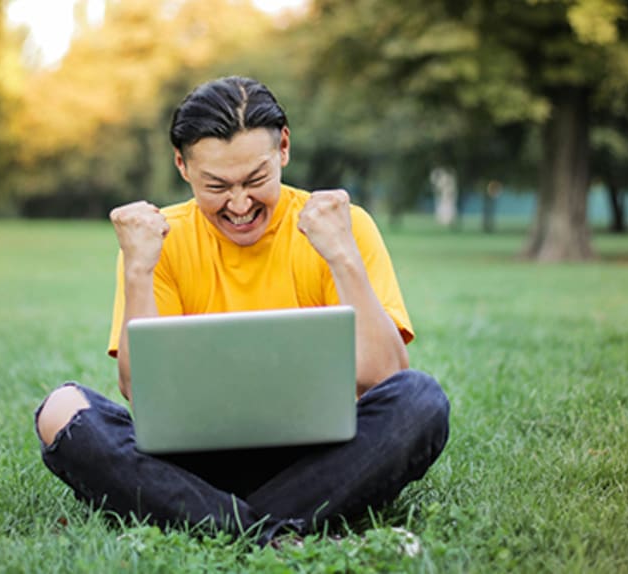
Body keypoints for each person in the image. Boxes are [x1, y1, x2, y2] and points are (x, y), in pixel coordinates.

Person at [35, 76, 450, 545]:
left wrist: (343, 256)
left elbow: (387, 378)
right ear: (182, 165)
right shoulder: (156, 239)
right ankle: (274, 530)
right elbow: (140, 390)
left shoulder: (340, 226)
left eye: (256, 180)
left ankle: (213, 520)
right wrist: (138, 269)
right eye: (216, 186)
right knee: (60, 410)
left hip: (318, 458)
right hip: (193, 461)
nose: (239, 204)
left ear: (284, 148)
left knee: (421, 400)